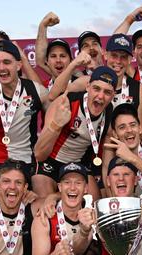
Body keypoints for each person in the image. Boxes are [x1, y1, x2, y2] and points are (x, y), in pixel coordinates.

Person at [0, 40, 51, 185]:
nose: (1, 68)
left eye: (6, 62)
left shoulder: (36, 90)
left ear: (18, 65)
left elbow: (54, 117)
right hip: (0, 163)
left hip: (28, 162)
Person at [33, 66, 118, 199]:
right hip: (50, 162)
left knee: (94, 204)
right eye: (96, 89)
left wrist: (111, 196)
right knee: (43, 204)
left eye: (107, 92)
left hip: (79, 165)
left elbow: (107, 163)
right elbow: (39, 154)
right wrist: (56, 125)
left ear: (113, 95)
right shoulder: (66, 103)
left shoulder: (109, 113)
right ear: (88, 87)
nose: (100, 96)